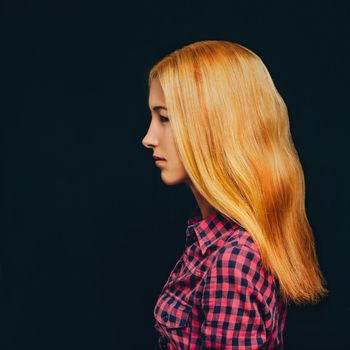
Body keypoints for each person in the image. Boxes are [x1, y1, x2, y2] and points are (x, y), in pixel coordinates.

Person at [141, 40, 328, 349]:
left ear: (210, 127)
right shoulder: (214, 242)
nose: (148, 138)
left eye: (164, 118)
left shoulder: (233, 261)